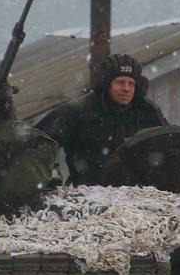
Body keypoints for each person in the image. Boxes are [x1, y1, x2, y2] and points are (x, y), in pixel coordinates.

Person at [35, 53, 169, 185]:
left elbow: (170, 144)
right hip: (87, 195)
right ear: (107, 84)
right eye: (120, 82)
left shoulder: (147, 112)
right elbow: (35, 144)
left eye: (131, 84)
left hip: (140, 195)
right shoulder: (78, 111)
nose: (126, 89)